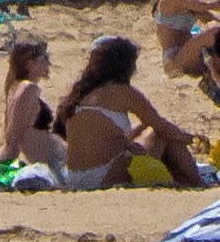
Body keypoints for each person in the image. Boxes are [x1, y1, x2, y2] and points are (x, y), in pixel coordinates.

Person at [57, 35, 211, 190]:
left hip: (75, 178)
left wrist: (140, 129)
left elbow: (107, 140)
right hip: (105, 176)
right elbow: (161, 126)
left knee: (144, 128)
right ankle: (197, 182)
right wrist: (192, 139)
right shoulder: (123, 92)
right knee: (160, 134)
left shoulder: (80, 94)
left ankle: (184, 181)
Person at [151, 0, 220, 90]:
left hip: (188, 53)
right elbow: (208, 5)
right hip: (175, 59)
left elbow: (210, 16)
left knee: (214, 30)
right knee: (213, 30)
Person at [1, 38, 66, 178]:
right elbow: (12, 139)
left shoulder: (15, 87)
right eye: (44, 58)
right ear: (30, 64)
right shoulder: (28, 89)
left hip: (55, 161)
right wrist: (1, 171)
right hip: (56, 164)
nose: (48, 63)